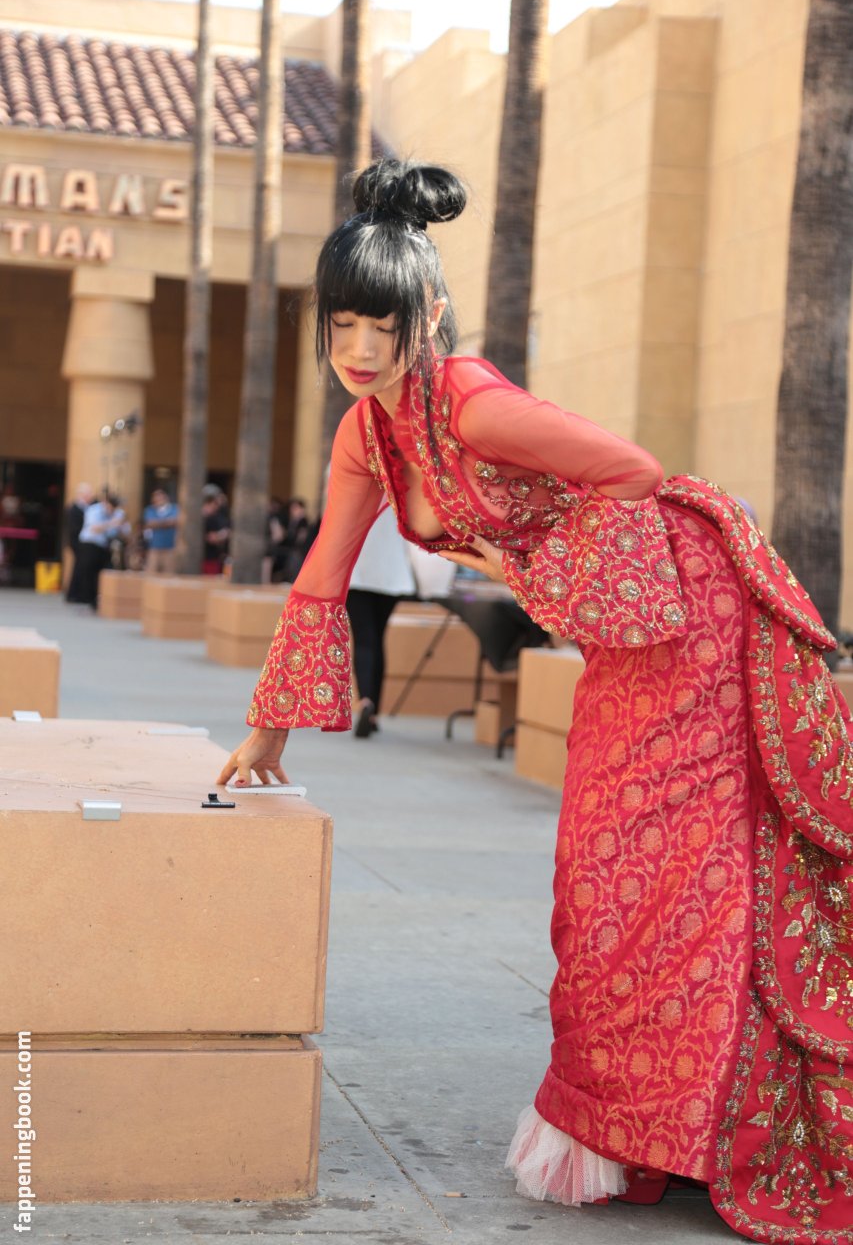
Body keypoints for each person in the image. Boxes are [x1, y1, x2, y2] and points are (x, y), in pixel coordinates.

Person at [217, 160, 853, 1243]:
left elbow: (635, 471)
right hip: (622, 630)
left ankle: (698, 1129)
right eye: (341, 325)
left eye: (383, 324)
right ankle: (654, 1129)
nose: (359, 349)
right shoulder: (368, 431)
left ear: (429, 317)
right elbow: (325, 568)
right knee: (612, 880)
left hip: (686, 611)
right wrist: (265, 725)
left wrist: (527, 574)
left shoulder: (472, 403)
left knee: (663, 874)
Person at [347, 503, 418, 737]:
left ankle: (366, 701)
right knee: (378, 639)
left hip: (358, 569)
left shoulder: (346, 479)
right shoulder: (403, 479)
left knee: (364, 640)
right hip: (392, 571)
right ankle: (374, 712)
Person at [69, 491, 128, 608]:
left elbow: (125, 533)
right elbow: (94, 528)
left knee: (106, 571)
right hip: (89, 544)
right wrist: (112, 523)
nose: (111, 510)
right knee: (88, 572)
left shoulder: (118, 513)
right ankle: (88, 599)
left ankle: (101, 598)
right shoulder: (94, 510)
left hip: (105, 546)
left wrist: (121, 526)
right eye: (110, 507)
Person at [143, 488, 179, 573]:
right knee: (151, 573)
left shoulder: (175, 508)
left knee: (169, 573)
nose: (157, 499)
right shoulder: (150, 510)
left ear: (165, 497)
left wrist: (158, 523)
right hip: (154, 547)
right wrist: (167, 522)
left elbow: (176, 521)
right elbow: (150, 523)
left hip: (170, 548)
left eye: (159, 496)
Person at [201, 485, 230, 575]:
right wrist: (222, 535)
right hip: (206, 558)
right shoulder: (204, 518)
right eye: (215, 503)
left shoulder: (219, 516)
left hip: (215, 558)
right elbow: (211, 538)